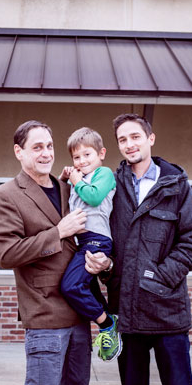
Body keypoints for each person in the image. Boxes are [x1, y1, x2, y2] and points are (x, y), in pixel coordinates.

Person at [85, 114, 192, 385]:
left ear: (151, 138)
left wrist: (162, 276)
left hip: (168, 314)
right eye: (122, 139)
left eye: (135, 136)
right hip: (128, 315)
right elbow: (99, 229)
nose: (129, 144)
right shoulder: (113, 186)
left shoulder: (176, 185)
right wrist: (105, 270)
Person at [0, 120, 96, 385]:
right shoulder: (6, 196)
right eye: (37, 147)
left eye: (50, 145)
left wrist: (101, 263)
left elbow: (90, 235)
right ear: (19, 152)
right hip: (45, 317)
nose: (46, 152)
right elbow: (6, 254)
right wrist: (59, 232)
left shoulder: (71, 187)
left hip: (80, 315)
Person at [60, 127, 121, 362]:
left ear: (101, 153)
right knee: (87, 287)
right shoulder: (79, 179)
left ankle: (106, 325)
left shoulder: (104, 174)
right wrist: (64, 180)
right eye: (76, 157)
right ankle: (107, 321)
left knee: (71, 286)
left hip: (97, 239)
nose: (82, 161)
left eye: (88, 155)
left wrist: (75, 179)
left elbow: (93, 197)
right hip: (80, 241)